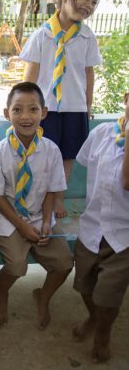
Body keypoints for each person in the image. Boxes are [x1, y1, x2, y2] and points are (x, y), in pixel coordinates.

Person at [0, 82, 73, 330]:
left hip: (38, 216)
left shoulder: (51, 151)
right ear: (6, 113)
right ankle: (2, 294)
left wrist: (45, 222)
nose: (25, 116)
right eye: (18, 110)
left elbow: (52, 189)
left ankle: (43, 296)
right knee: (17, 266)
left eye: (33, 110)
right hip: (8, 218)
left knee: (65, 263)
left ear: (43, 113)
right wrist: (22, 227)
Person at [20, 0, 102, 218]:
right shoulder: (41, 35)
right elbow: (30, 75)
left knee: (67, 157)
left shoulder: (88, 37)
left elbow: (88, 74)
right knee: (44, 155)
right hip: (46, 109)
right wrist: (25, 106)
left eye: (94, 2)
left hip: (75, 108)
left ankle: (58, 199)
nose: (89, 5)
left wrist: (87, 105)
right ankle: (38, 198)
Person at [72, 92, 129, 363]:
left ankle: (103, 331)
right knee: (84, 285)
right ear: (126, 99)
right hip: (92, 227)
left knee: (108, 295)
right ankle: (94, 317)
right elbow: (84, 165)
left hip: (123, 237)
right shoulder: (102, 134)